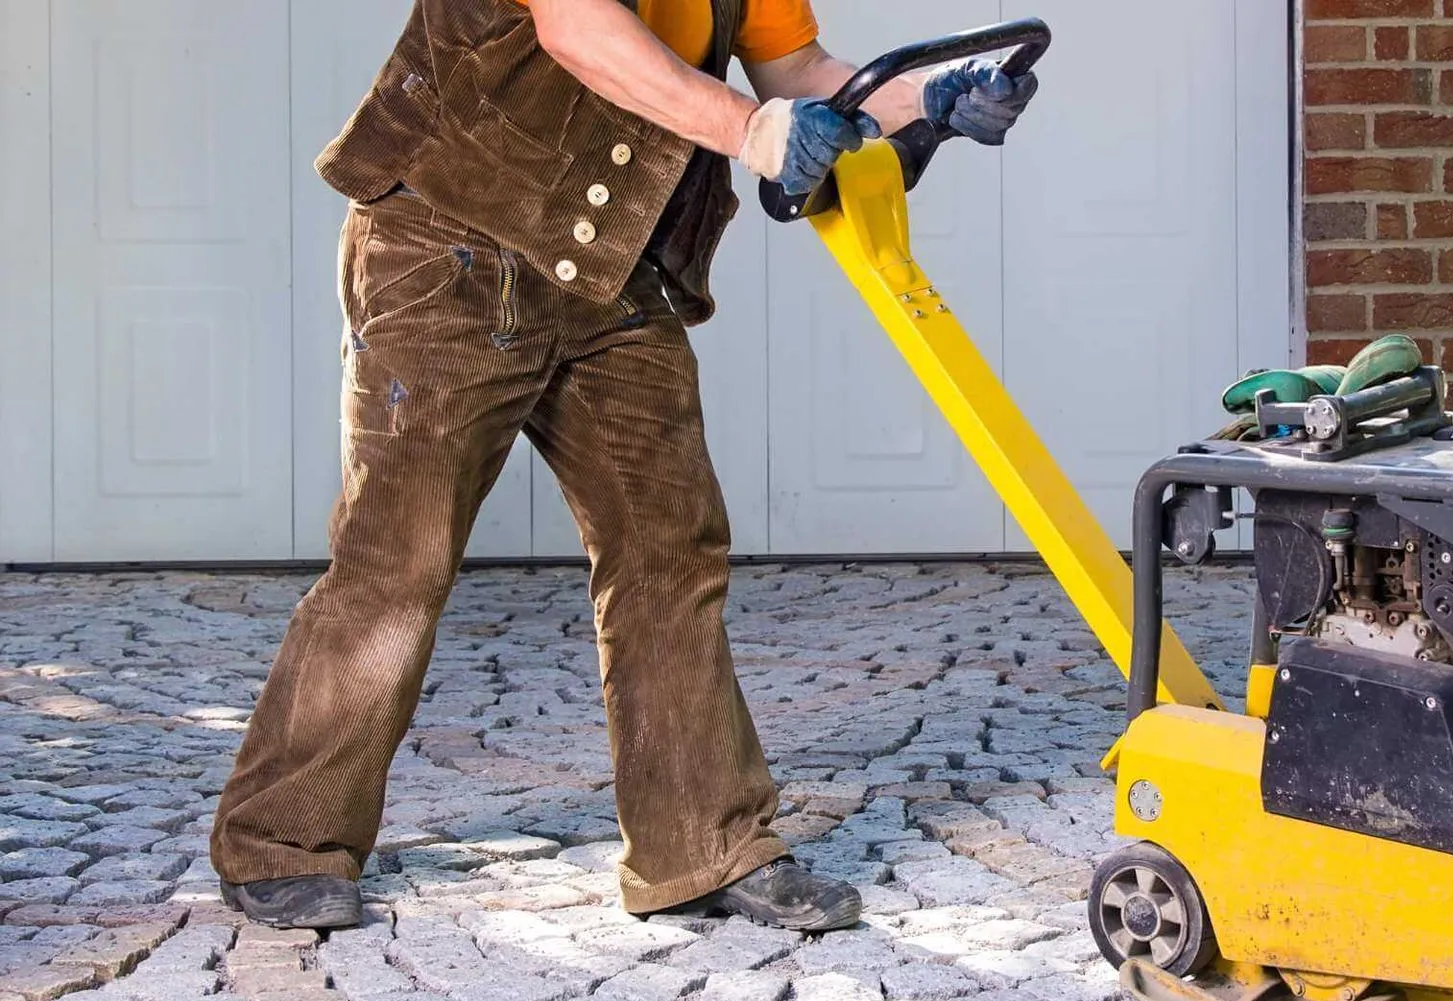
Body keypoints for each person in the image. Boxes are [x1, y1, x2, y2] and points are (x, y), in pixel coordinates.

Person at [208, 0, 1037, 933]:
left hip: (611, 272)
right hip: (446, 242)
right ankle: (280, 841)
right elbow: (578, 30)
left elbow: (798, 76)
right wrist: (754, 132)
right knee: (397, 560)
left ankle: (702, 845)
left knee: (669, 547)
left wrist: (928, 97)